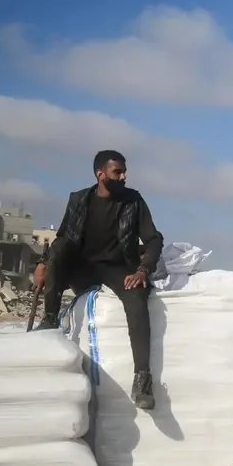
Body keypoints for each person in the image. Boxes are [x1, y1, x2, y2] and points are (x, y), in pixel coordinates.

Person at [33, 150, 163, 410]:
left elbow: (153, 239)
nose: (124, 177)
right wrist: (43, 265)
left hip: (118, 267)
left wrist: (143, 270)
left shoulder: (133, 201)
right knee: (59, 248)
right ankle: (50, 318)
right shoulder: (79, 199)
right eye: (118, 172)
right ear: (100, 174)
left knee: (137, 296)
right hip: (82, 268)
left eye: (124, 172)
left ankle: (142, 379)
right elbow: (62, 237)